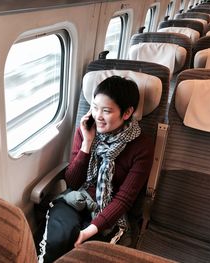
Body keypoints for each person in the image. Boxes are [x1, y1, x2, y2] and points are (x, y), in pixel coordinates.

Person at [37, 75, 154, 262]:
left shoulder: (142, 146)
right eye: (94, 107)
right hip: (76, 199)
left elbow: (124, 199)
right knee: (56, 243)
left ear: (126, 113)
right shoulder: (86, 130)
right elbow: (73, 182)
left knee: (87, 254)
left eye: (106, 111)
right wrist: (87, 142)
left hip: (110, 212)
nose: (97, 116)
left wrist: (87, 232)